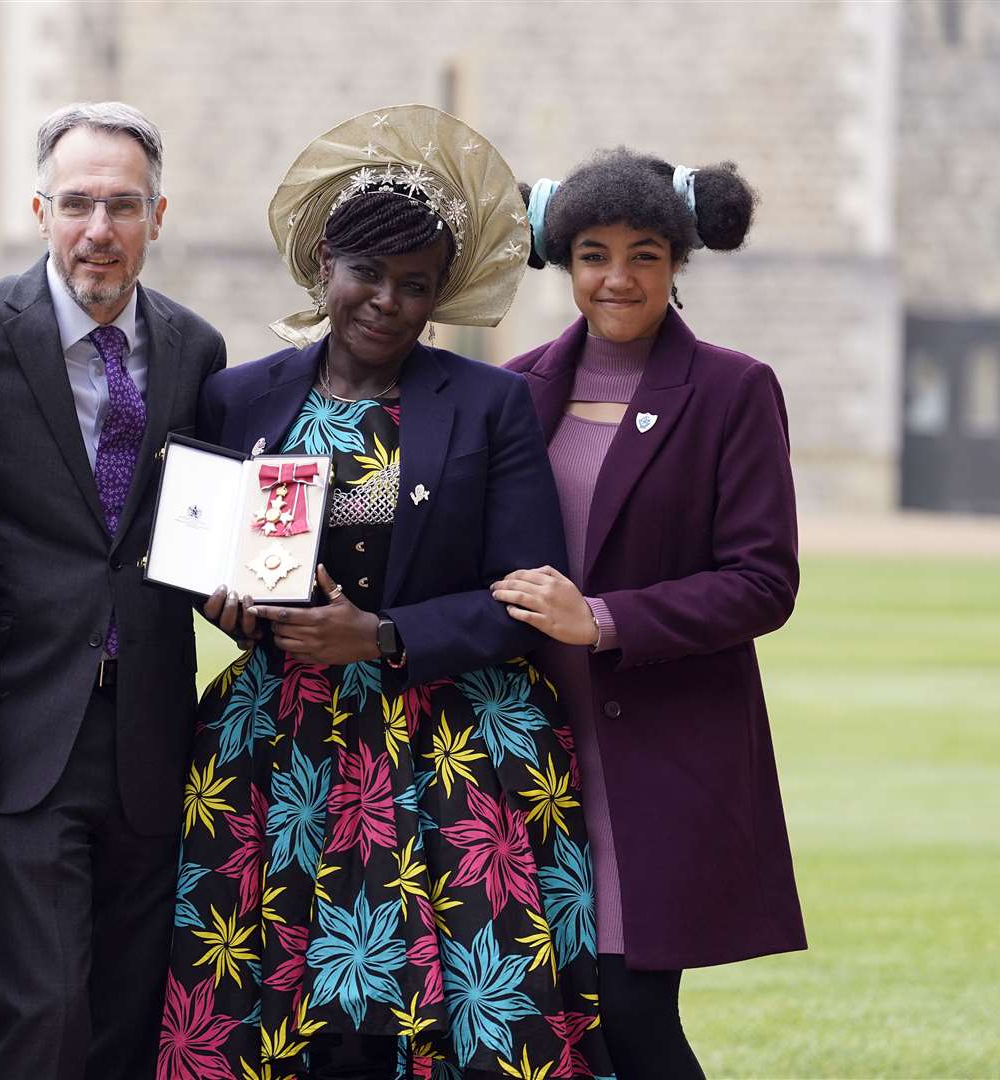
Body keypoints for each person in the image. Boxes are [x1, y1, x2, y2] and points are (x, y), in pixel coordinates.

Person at [162, 105, 613, 1080]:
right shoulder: (240, 397)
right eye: (367, 274)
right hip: (278, 752)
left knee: (441, 1018)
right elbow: (206, 551)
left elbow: (528, 595)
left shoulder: (488, 404)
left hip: (448, 744)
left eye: (416, 286)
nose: (387, 303)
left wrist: (382, 635)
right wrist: (222, 604)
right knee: (281, 1007)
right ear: (322, 263)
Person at [0, 102, 227, 1078]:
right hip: (24, 727)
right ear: (41, 209)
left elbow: (196, 535)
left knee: (129, 1016)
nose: (100, 229)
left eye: (122, 205)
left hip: (149, 735)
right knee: (42, 1016)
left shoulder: (196, 351)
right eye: (79, 203)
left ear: (158, 216)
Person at [494, 149, 804, 1079]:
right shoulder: (515, 387)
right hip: (525, 750)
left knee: (632, 1014)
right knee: (550, 1022)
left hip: (656, 751)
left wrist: (604, 619)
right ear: (564, 262)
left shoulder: (732, 390)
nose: (617, 278)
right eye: (593, 254)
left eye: (644, 255)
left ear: (678, 263)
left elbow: (763, 582)